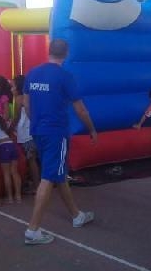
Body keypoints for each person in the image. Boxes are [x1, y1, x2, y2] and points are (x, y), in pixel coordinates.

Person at [23, 39, 97, 246]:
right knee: (49, 176)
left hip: (38, 131)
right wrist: (91, 129)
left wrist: (37, 122)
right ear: (66, 53)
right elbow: (80, 109)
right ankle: (33, 229)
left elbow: (26, 104)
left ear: (49, 51)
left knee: (58, 172)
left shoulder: (32, 73)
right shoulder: (65, 77)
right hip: (56, 132)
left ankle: (76, 215)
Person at [11, 75, 40, 194]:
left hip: (26, 132)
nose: (11, 88)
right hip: (32, 131)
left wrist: (10, 127)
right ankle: (36, 184)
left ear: (18, 86)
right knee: (33, 160)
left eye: (13, 85)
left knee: (31, 160)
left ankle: (37, 186)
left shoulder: (19, 99)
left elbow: (17, 117)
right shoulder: (31, 96)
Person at [0, 114, 22, 204]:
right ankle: (18, 196)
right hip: (12, 146)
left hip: (3, 147)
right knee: (14, 172)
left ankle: (10, 197)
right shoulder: (3, 129)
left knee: (6, 174)